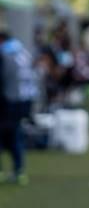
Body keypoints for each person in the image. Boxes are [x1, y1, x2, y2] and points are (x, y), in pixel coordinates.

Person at [0, 29, 38, 185]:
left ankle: (9, 171)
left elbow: (3, 79)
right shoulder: (23, 52)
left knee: (9, 136)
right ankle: (19, 171)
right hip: (25, 101)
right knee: (15, 135)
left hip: (8, 101)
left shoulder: (4, 54)